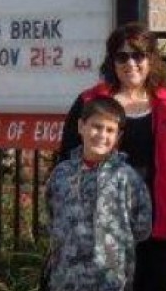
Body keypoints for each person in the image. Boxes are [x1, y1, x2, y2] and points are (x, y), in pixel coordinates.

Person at [59, 21, 166, 291]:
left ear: (151, 60)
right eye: (122, 56)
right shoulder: (90, 103)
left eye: (138, 55)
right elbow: (67, 162)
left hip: (160, 230)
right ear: (112, 62)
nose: (131, 63)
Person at [45, 96, 152, 291]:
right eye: (96, 126)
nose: (102, 134)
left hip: (110, 282)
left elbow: (142, 227)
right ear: (81, 126)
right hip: (65, 280)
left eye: (110, 130)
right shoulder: (61, 174)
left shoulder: (126, 178)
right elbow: (52, 218)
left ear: (118, 137)